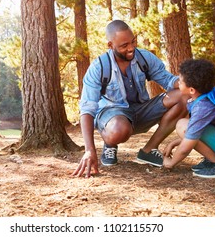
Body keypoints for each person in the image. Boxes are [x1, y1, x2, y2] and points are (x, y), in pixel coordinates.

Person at [72, 20, 188, 178]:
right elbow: (87, 109)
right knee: (119, 129)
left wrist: (186, 81)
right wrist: (89, 150)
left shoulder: (144, 58)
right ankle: (110, 144)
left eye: (133, 41)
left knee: (183, 94)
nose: (131, 48)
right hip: (112, 115)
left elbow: (167, 80)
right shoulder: (99, 67)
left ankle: (148, 150)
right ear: (110, 45)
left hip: (140, 110)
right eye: (124, 45)